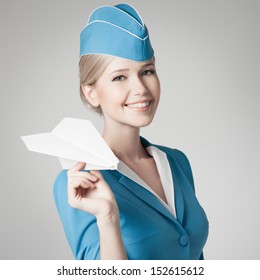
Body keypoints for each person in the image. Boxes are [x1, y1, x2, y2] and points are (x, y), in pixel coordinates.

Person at [53, 3, 209, 260]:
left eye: (147, 71)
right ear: (90, 92)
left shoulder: (177, 162)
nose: (141, 89)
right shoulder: (77, 181)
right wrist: (107, 216)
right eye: (119, 77)